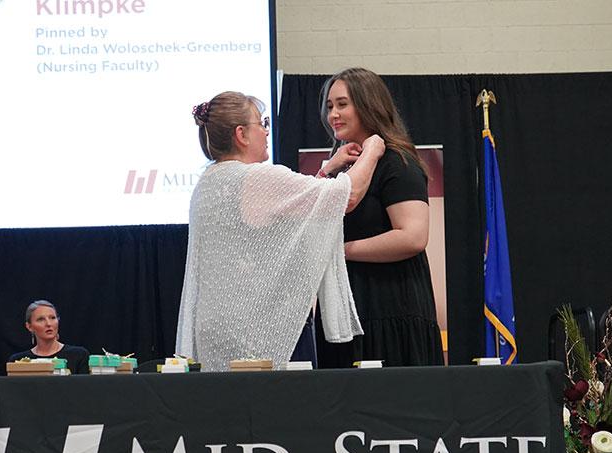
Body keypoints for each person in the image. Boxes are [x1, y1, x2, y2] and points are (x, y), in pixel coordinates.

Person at [176, 91, 386, 371]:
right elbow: (344, 197)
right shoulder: (258, 177)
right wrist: (372, 149)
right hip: (260, 332)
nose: (265, 131)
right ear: (242, 134)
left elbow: (293, 209)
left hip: (217, 330)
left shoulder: (208, 183)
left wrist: (326, 171)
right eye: (261, 123)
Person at [316, 67, 444, 367]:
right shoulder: (341, 168)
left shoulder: (397, 163)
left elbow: (412, 237)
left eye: (342, 104)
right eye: (330, 106)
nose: (333, 113)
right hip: (343, 314)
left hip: (390, 310)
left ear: (368, 105)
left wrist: (342, 252)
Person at [7, 300, 90, 374]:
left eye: (52, 318)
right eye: (41, 319)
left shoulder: (79, 355)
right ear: (29, 326)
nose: (48, 324)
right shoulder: (17, 361)